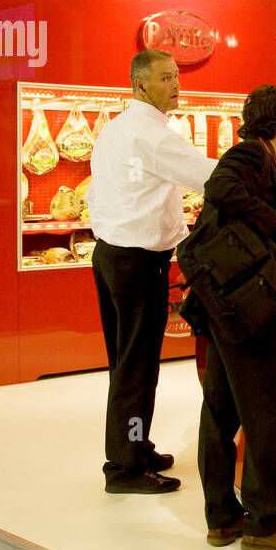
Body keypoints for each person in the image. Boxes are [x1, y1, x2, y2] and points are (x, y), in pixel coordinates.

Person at [196, 85, 276, 550]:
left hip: (222, 302)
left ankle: (222, 517)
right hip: (245, 306)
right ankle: (265, 523)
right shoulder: (249, 154)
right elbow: (221, 188)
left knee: (221, 409)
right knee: (268, 409)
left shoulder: (256, 156)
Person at [86, 49, 215, 495]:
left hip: (111, 256)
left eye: (176, 75)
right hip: (136, 260)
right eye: (165, 78)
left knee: (127, 361)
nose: (176, 84)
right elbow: (209, 177)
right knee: (136, 365)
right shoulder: (154, 136)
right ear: (140, 85)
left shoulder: (118, 128)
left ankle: (134, 446)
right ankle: (122, 468)